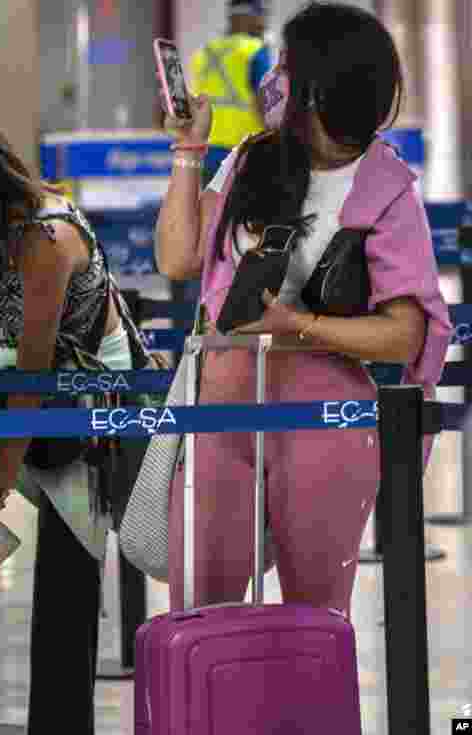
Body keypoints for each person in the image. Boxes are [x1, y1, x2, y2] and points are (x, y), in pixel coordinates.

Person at [155, 2, 452, 614]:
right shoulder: (250, 158)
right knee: (197, 604)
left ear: (316, 85)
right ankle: (209, 714)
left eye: (284, 65)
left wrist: (297, 325)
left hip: (325, 415)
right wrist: (190, 150)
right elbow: (178, 260)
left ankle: (304, 715)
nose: (272, 79)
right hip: (220, 406)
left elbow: (403, 335)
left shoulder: (386, 185)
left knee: (315, 612)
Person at [0, 104, 155, 734]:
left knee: (67, 585)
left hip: (91, 410)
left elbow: (34, 379)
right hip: (16, 393)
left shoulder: (46, 239)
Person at [188, 0, 274, 186]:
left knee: (212, 212)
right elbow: (264, 103)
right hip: (245, 151)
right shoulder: (255, 50)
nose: (263, 24)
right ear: (246, 16)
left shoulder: (205, 51)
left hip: (207, 149)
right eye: (260, 16)